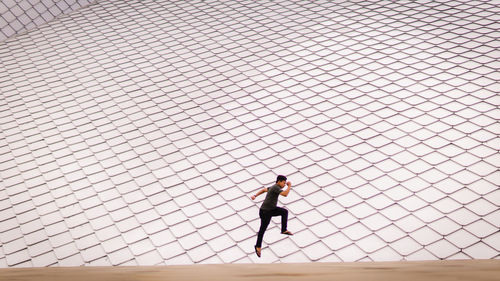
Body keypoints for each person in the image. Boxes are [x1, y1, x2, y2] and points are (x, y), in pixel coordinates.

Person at [251, 175, 293, 258]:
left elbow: (264, 190)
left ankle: (284, 229)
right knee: (262, 229)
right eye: (284, 183)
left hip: (271, 210)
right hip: (265, 212)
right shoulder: (276, 187)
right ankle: (258, 246)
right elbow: (285, 194)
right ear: (279, 182)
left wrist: (255, 195)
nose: (284, 185)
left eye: (285, 183)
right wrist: (289, 186)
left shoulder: (273, 187)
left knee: (284, 212)